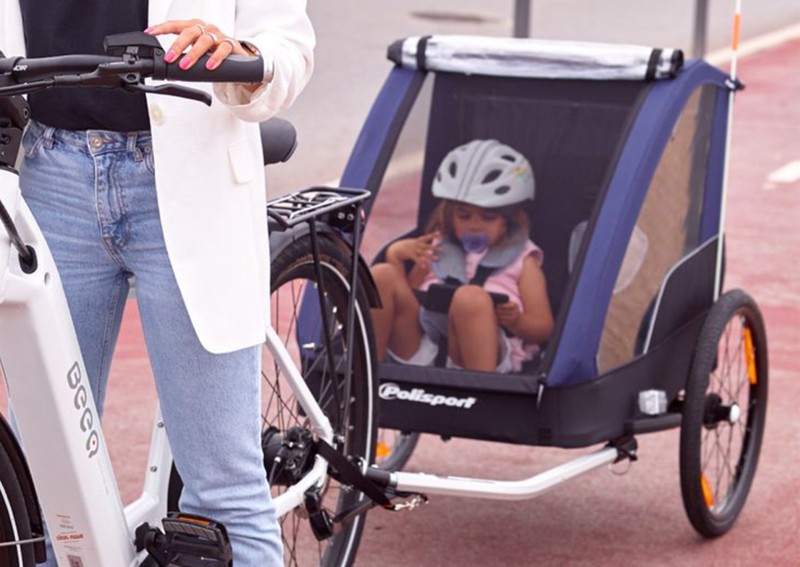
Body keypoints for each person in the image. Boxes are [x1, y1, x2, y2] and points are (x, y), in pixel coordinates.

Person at [1, 1, 314, 565]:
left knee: (223, 487)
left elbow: (288, 49)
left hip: (189, 178)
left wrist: (239, 54)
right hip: (50, 176)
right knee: (37, 483)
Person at [371, 139, 554, 373]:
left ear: (508, 222)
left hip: (479, 353)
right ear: (449, 215)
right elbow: (406, 300)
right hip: (423, 342)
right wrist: (395, 256)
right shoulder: (437, 247)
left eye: (488, 218)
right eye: (464, 216)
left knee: (470, 299)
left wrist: (517, 321)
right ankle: (365, 376)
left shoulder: (523, 261)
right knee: (381, 274)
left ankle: (481, 392)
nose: (474, 226)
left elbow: (544, 327)